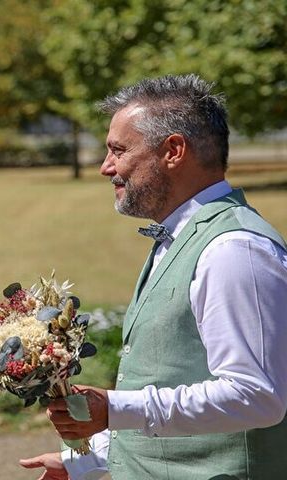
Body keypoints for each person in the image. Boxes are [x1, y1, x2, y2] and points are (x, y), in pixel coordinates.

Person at [21, 74, 287, 479]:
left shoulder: (233, 250)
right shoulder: (181, 236)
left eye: (118, 150)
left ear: (173, 150)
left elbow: (258, 395)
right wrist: (88, 459)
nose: (105, 167)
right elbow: (174, 374)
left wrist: (113, 408)